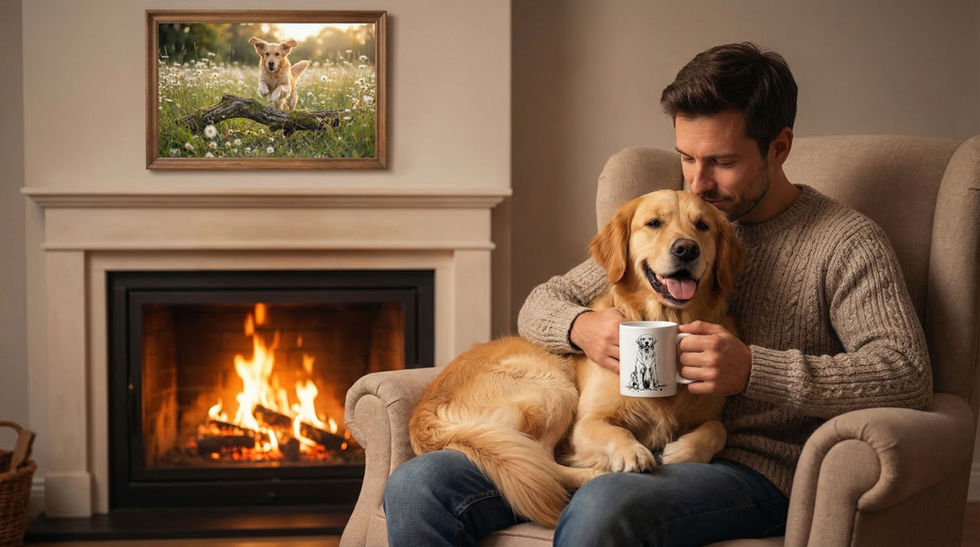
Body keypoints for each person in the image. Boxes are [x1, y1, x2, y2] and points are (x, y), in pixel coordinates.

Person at [384, 42, 932, 546]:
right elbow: (542, 303)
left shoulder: (846, 244)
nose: (697, 183)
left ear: (779, 147)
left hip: (755, 470)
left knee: (606, 504)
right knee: (419, 484)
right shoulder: (664, 230)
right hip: (631, 442)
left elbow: (906, 374)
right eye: (687, 158)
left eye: (721, 161)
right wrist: (583, 327)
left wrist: (753, 371)